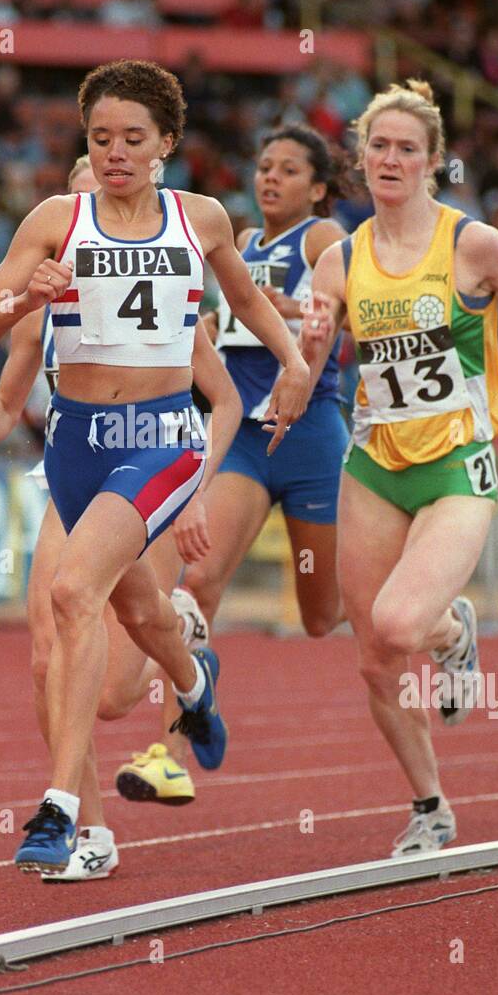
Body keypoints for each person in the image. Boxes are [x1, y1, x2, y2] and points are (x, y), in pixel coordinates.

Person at [0, 58, 309, 874]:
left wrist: (291, 361)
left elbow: (249, 302)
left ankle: (63, 813)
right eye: (100, 137)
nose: (115, 152)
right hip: (75, 445)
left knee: (72, 595)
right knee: (142, 611)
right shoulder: (53, 220)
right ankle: (192, 683)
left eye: (133, 139)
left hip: (160, 439)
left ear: (168, 145)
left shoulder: (202, 221)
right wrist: (24, 300)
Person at [302, 80, 498, 857]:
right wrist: (307, 341)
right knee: (373, 654)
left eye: (407, 149)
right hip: (375, 467)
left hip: (459, 464)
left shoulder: (473, 245)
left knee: (400, 623)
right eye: (379, 147)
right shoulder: (341, 257)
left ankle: (455, 628)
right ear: (361, 158)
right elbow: (306, 375)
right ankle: (430, 806)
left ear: (433, 162)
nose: (391, 160)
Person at [185, 126, 348, 639]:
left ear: (318, 190)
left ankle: (438, 616)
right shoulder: (244, 242)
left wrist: (295, 308)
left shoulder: (323, 237)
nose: (270, 178)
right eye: (264, 168)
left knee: (320, 617)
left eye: (288, 170)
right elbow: (229, 317)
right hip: (245, 439)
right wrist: (205, 327)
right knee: (198, 583)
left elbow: (349, 308)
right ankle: (190, 707)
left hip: (309, 436)